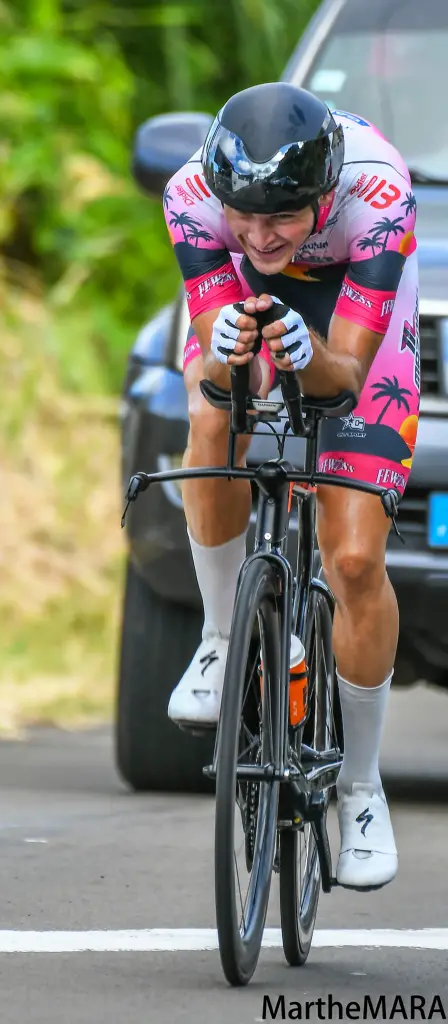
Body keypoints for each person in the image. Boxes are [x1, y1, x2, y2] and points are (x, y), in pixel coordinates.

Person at [163, 82, 419, 891]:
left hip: (351, 318)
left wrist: (309, 358)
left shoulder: (379, 197)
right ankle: (217, 638)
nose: (261, 236)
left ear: (323, 193)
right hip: (253, 307)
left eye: (281, 218)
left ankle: (362, 788)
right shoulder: (193, 198)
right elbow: (213, 352)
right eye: (246, 217)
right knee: (211, 414)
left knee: (351, 562)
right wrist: (227, 342)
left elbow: (346, 372)